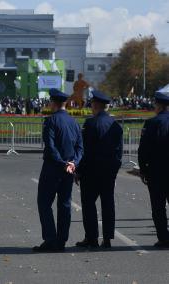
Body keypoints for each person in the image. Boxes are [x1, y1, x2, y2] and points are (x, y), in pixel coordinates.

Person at [33, 89, 83, 252]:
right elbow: (80, 148)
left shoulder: (51, 121)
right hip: (69, 169)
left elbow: (51, 146)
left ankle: (50, 239)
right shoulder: (74, 122)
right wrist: (73, 163)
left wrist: (62, 163)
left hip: (52, 168)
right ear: (65, 103)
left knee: (44, 203)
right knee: (65, 204)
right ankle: (61, 240)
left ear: (53, 103)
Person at [75, 90, 123, 249]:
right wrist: (114, 170)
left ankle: (92, 237)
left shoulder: (90, 124)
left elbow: (85, 151)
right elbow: (119, 152)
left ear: (95, 105)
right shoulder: (116, 126)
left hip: (91, 172)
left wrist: (79, 170)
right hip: (108, 171)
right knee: (108, 204)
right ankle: (107, 238)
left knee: (88, 204)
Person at [138, 90, 169, 248]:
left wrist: (142, 169)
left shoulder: (152, 123)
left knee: (158, 206)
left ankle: (163, 237)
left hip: (157, 171)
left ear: (159, 106)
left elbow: (144, 149)